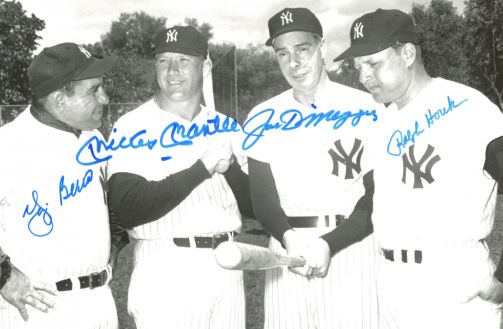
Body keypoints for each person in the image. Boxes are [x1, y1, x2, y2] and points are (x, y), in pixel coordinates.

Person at [334, 8, 503, 329]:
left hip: (454, 279)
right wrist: (326, 243)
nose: (362, 76)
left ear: (408, 53)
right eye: (357, 66)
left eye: (372, 63)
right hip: (391, 280)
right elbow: (373, 201)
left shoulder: (471, 107)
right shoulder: (380, 120)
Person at [107, 25, 253, 329]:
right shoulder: (133, 126)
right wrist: (201, 168)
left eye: (184, 60)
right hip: (167, 268)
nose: (172, 70)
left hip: (227, 263)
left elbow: (253, 206)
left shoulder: (227, 126)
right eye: (163, 60)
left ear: (206, 66)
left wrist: (233, 169)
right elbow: (128, 207)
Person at [244, 7, 381, 329]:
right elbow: (262, 198)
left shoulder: (367, 108)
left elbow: (378, 194)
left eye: (302, 49)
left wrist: (328, 243)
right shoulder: (264, 115)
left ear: (323, 48)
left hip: (351, 248)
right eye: (282, 53)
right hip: (286, 250)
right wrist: (289, 239)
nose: (294, 62)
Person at [0, 43, 119, 328]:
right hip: (41, 307)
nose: (104, 98)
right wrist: (3, 275)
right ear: (59, 99)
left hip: (100, 299)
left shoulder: (93, 139)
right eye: (93, 90)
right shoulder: (10, 144)